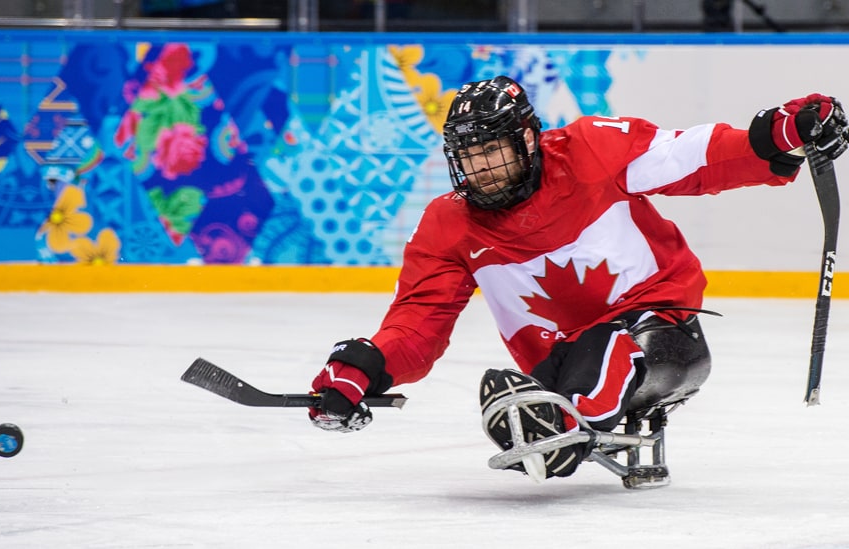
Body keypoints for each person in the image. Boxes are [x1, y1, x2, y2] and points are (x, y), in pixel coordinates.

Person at [307, 75, 849, 480]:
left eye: (493, 150)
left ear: (527, 139)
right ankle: (560, 414)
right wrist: (366, 367)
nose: (482, 169)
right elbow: (418, 322)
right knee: (578, 358)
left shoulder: (593, 149)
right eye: (469, 157)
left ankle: (566, 419)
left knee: (609, 346)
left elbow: (694, 158)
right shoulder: (448, 224)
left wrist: (778, 134)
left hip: (662, 331)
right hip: (557, 363)